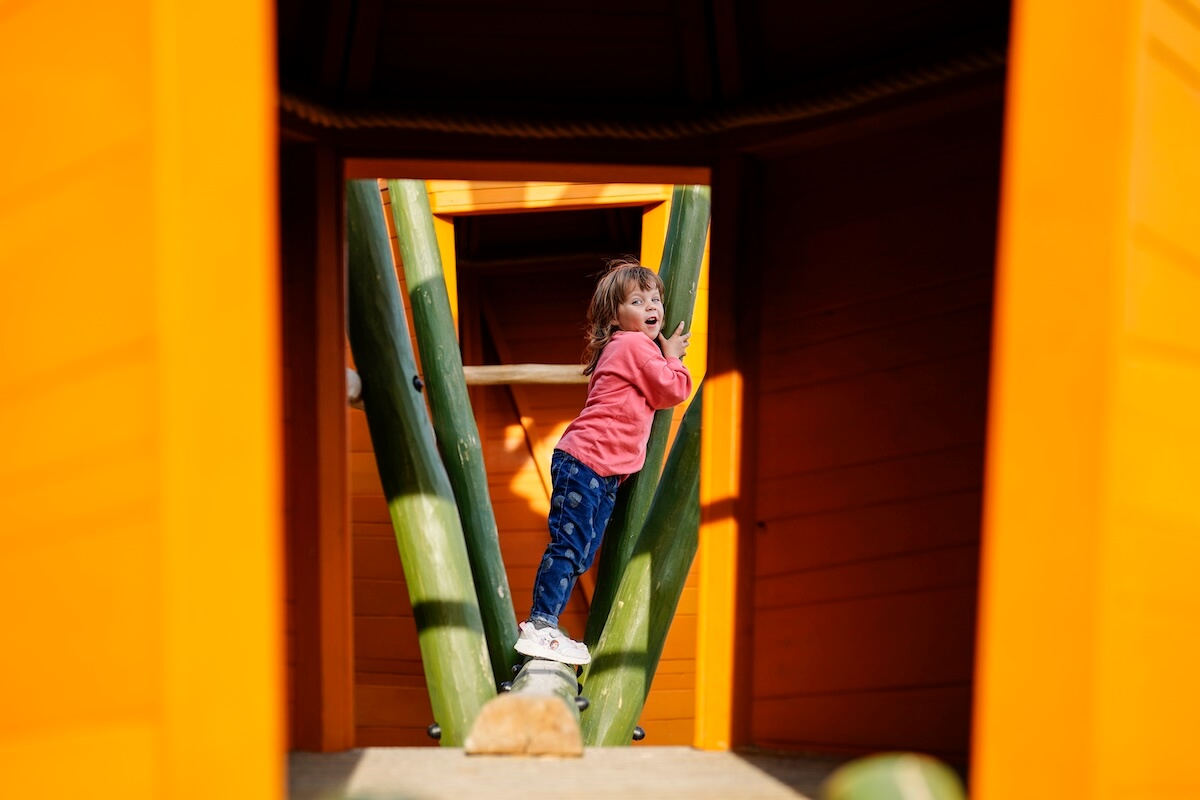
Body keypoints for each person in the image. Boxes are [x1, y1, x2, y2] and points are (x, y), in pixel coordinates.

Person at [514, 258, 693, 665]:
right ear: (615, 316)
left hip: (599, 470)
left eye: (656, 298)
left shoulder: (628, 348)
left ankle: (545, 625)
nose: (652, 307)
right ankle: (540, 625)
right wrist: (673, 356)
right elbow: (671, 389)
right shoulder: (632, 345)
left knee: (580, 552)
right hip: (587, 462)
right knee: (570, 546)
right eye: (637, 300)